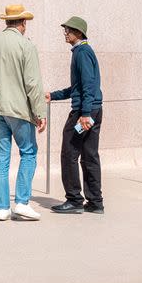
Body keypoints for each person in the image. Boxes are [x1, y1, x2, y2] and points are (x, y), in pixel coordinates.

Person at [0, 3, 48, 222]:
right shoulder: (25, 46)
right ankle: (21, 202)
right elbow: (32, 84)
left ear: (6, 22)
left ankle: (2, 208)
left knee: (1, 157)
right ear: (23, 23)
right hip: (19, 110)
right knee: (28, 153)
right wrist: (40, 112)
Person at [47, 16, 104, 215]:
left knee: (69, 153)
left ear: (78, 33)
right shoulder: (83, 52)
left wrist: (85, 113)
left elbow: (89, 85)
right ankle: (95, 202)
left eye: (68, 30)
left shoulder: (82, 52)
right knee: (89, 155)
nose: (65, 33)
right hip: (92, 109)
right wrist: (53, 95)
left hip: (84, 112)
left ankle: (74, 199)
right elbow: (78, 87)